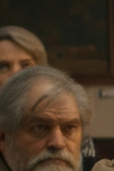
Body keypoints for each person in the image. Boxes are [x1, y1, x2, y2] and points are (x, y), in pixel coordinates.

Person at [0, 24, 97, 157]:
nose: (16, 73)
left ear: (41, 69)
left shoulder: (75, 137)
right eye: (3, 67)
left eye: (26, 65)